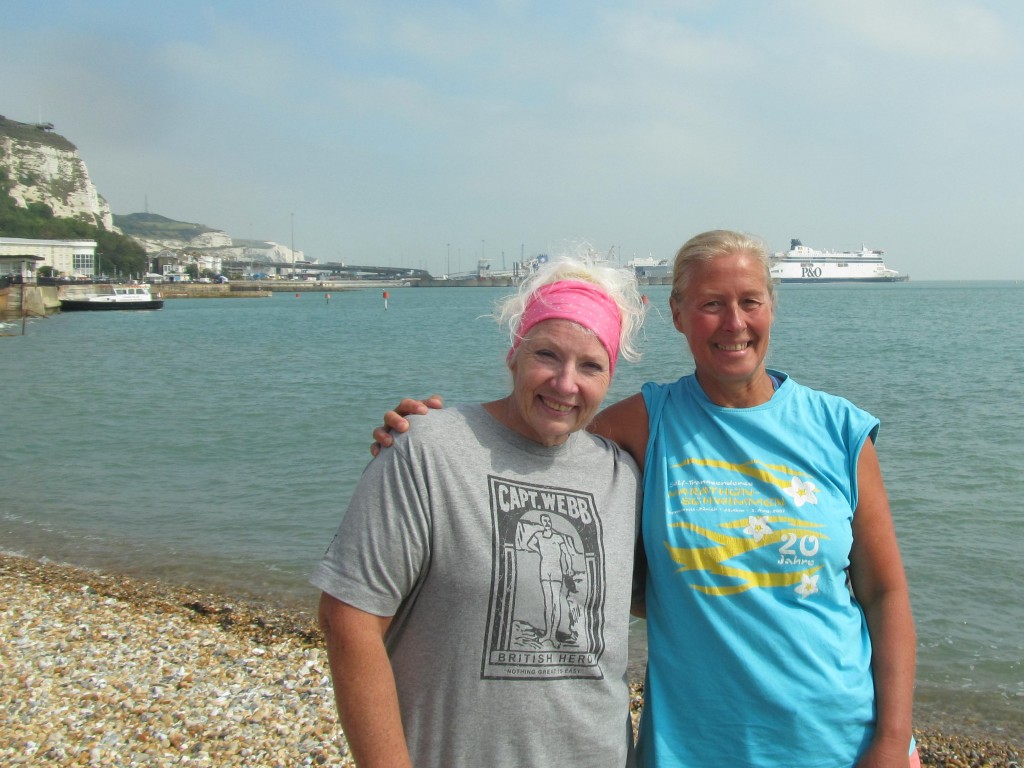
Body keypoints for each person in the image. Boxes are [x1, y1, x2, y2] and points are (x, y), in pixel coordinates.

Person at [373, 230, 918, 768]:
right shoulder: (643, 423)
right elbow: (538, 436)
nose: (734, 323)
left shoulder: (839, 429)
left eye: (750, 302)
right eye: (711, 304)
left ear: (771, 307)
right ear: (678, 313)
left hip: (847, 743)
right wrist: (430, 437)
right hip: (693, 748)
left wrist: (892, 744)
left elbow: (884, 593)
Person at [312, 253, 647, 767]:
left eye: (590, 366)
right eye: (547, 355)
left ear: (609, 377)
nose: (565, 383)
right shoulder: (427, 449)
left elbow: (665, 602)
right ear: (513, 352)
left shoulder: (623, 476)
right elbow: (348, 619)